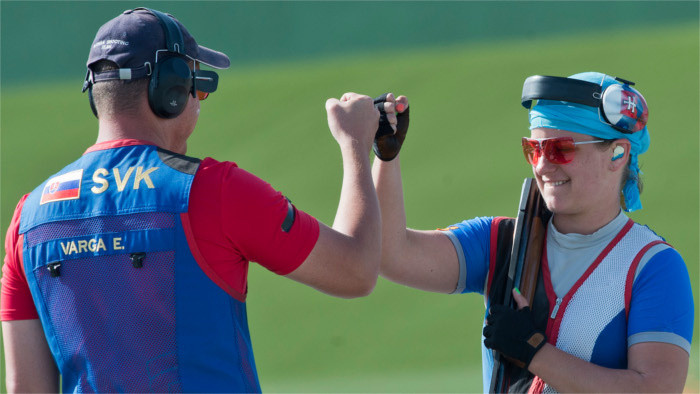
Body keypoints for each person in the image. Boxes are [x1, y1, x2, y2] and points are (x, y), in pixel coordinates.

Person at [0, 8, 402, 392]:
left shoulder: (27, 219)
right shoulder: (213, 190)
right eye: (198, 90)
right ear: (171, 91)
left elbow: (26, 388)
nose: (197, 104)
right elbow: (355, 270)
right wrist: (356, 145)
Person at [372, 72, 694, 392]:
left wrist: (536, 353)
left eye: (560, 149)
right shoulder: (500, 242)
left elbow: (656, 389)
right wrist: (386, 157)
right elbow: (389, 254)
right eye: (534, 149)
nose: (541, 166)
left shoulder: (653, 267)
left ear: (617, 154)